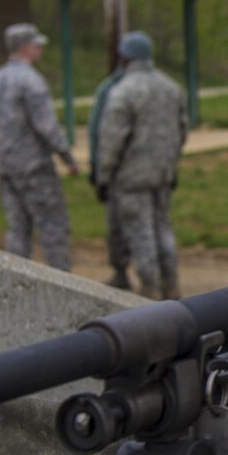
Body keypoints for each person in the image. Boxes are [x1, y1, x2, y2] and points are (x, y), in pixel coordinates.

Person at [92, 30, 187, 298]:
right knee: (163, 229)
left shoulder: (123, 91)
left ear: (124, 57)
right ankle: (172, 285)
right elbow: (181, 130)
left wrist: (103, 177)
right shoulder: (171, 87)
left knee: (141, 234)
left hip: (131, 178)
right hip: (164, 174)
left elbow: (111, 141)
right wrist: (170, 163)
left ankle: (149, 291)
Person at [0, 22, 78, 270]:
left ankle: (16, 284)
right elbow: (46, 126)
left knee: (17, 228)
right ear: (25, 48)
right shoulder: (32, 81)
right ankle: (63, 284)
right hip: (34, 167)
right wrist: (67, 157)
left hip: (6, 166)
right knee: (53, 226)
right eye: (36, 46)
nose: (40, 50)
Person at [87, 49, 132, 290]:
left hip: (119, 174)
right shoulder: (164, 85)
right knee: (155, 227)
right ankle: (164, 281)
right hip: (156, 174)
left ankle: (124, 273)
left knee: (118, 226)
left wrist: (99, 172)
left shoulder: (112, 89)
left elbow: (100, 133)